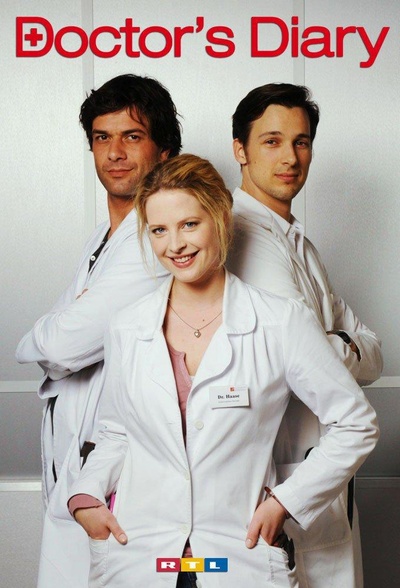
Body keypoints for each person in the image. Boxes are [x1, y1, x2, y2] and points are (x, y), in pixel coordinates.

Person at [67, 154, 378, 588]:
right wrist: (84, 495)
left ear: (221, 219)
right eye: (159, 230)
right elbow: (117, 432)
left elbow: (356, 423)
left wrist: (285, 502)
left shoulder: (279, 321)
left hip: (236, 558)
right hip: (141, 557)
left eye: (189, 224)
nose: (175, 245)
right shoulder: (127, 326)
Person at [15, 73, 182, 588]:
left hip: (118, 477)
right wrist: (58, 337)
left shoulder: (156, 243)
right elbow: (58, 344)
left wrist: (51, 336)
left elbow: (57, 346)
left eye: (132, 136)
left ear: (164, 151)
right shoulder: (102, 239)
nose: (114, 153)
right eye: (102, 138)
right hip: (75, 467)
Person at [228, 83, 383, 587]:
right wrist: (337, 340)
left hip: (321, 474)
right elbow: (303, 353)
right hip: (281, 482)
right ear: (240, 150)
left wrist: (330, 341)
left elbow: (373, 353)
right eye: (271, 141)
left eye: (301, 142)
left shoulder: (298, 240)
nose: (290, 157)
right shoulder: (243, 235)